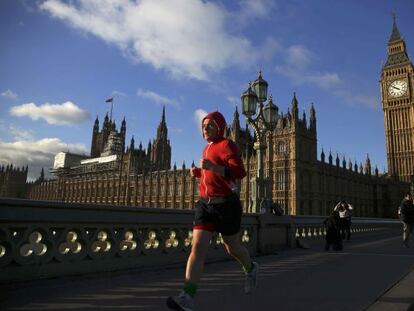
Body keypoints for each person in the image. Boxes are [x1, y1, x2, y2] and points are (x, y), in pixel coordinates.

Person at [166, 111, 258, 311]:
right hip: (205, 205)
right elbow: (211, 173)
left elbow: (240, 172)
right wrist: (198, 172)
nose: (205, 129)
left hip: (226, 205)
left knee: (232, 247)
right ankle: (187, 297)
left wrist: (213, 168)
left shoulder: (228, 145)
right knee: (197, 248)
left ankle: (250, 268)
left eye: (210, 125)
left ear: (220, 127)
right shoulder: (206, 148)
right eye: (203, 125)